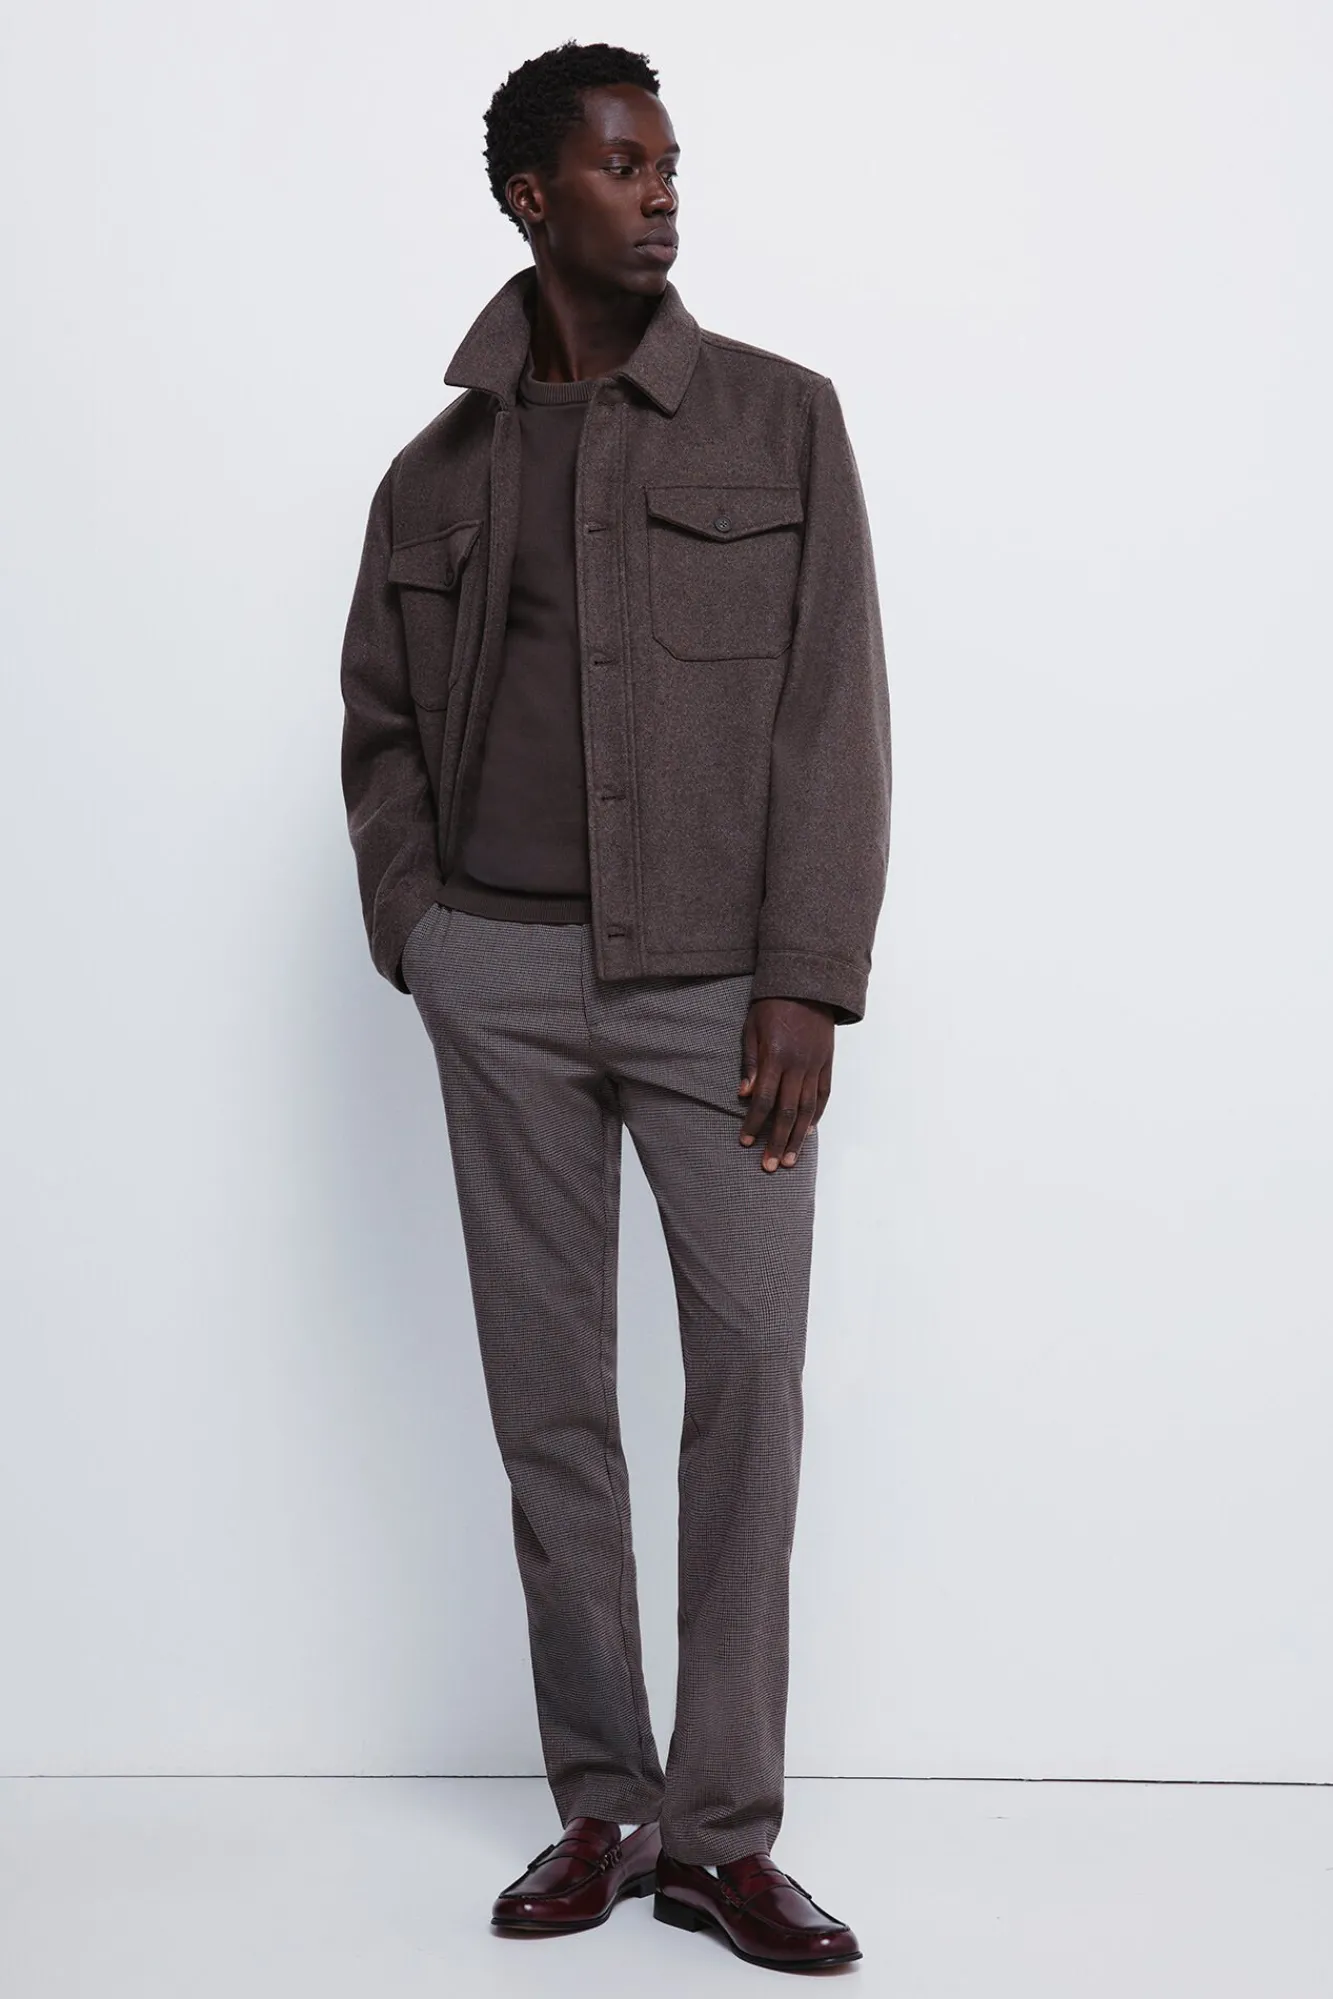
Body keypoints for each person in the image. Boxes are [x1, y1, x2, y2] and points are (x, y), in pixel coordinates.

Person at [339, 39, 890, 1975]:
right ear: (532, 196)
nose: (661, 193)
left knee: (747, 1385)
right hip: (495, 981)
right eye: (623, 166)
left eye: (669, 164)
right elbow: (379, 729)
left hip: (716, 994)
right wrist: (420, 932)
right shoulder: (435, 473)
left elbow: (834, 711)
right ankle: (607, 1803)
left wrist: (806, 976)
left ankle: (723, 1834)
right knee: (550, 1404)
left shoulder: (780, 420)